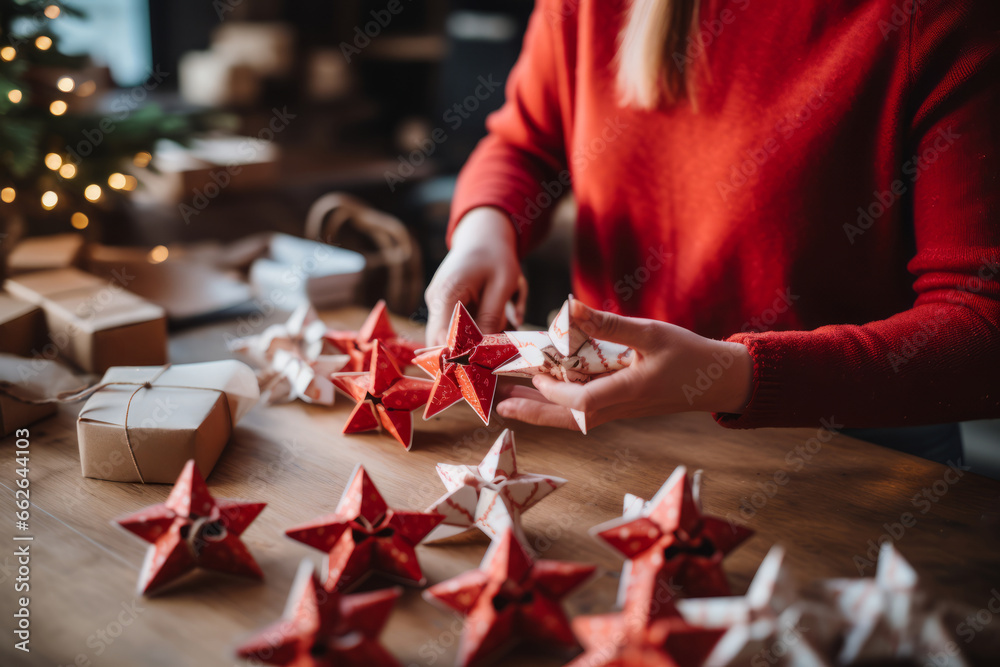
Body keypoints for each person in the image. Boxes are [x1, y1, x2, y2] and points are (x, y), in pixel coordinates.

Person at [423, 0, 1000, 464]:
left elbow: (982, 326)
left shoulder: (940, 17)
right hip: (613, 437)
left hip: (852, 461)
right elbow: (525, 145)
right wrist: (485, 226)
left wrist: (731, 377)